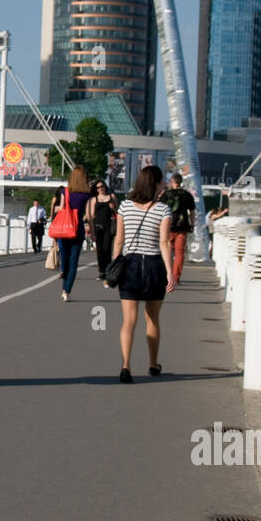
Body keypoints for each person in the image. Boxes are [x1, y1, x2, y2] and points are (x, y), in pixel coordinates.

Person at [113, 164, 175, 383]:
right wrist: (170, 272)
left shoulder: (124, 207)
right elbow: (164, 243)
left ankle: (125, 366)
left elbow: (119, 239)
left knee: (128, 320)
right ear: (155, 184)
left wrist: (114, 265)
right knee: (153, 319)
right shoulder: (163, 210)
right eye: (162, 182)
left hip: (128, 265)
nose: (164, 185)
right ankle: (153, 363)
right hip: (153, 266)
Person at [53, 165, 89, 301]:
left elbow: (60, 208)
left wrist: (54, 208)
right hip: (77, 230)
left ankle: (64, 288)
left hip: (64, 230)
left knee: (66, 261)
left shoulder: (65, 191)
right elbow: (88, 214)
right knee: (74, 262)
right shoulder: (86, 195)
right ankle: (66, 291)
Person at [163, 172, 196, 285]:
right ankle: (176, 277)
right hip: (182, 227)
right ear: (181, 182)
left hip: (168, 227)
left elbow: (159, 210)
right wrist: (192, 224)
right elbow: (192, 211)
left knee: (166, 252)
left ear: (173, 182)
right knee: (179, 253)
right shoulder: (187, 195)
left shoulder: (165, 195)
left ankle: (166, 276)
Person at [86, 179, 117, 284]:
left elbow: (118, 212)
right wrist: (90, 229)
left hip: (108, 226)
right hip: (98, 226)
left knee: (107, 249)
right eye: (98, 188)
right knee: (99, 250)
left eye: (102, 186)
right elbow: (91, 215)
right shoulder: (94, 199)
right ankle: (101, 271)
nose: (100, 189)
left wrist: (113, 208)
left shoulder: (111, 197)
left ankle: (108, 271)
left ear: (105, 187)